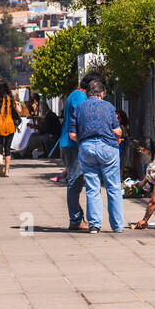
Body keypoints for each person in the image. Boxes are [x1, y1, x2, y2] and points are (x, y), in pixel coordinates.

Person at [70, 76, 124, 233]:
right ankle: (117, 225)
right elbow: (117, 130)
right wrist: (119, 136)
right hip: (108, 148)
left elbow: (72, 134)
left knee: (92, 187)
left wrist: (83, 141)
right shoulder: (108, 107)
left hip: (86, 148)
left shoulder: (80, 108)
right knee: (113, 186)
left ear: (88, 93)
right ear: (102, 93)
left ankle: (94, 225)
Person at [60, 81, 89, 222]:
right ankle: (76, 219)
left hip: (70, 143)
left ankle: (78, 217)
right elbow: (82, 116)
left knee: (76, 180)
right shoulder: (79, 96)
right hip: (73, 144)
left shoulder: (74, 94)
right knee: (75, 181)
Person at [0, 80, 21, 177]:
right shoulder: (10, 98)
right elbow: (19, 111)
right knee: (7, 149)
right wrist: (18, 105)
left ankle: (1, 164)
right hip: (10, 124)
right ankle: (7, 171)